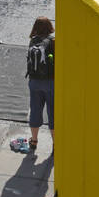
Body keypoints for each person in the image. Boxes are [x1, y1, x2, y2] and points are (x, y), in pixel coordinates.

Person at [26, 18, 55, 152]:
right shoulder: (53, 41)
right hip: (50, 82)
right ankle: (55, 144)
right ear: (49, 26)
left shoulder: (33, 41)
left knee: (35, 110)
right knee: (53, 113)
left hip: (34, 82)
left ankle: (34, 141)